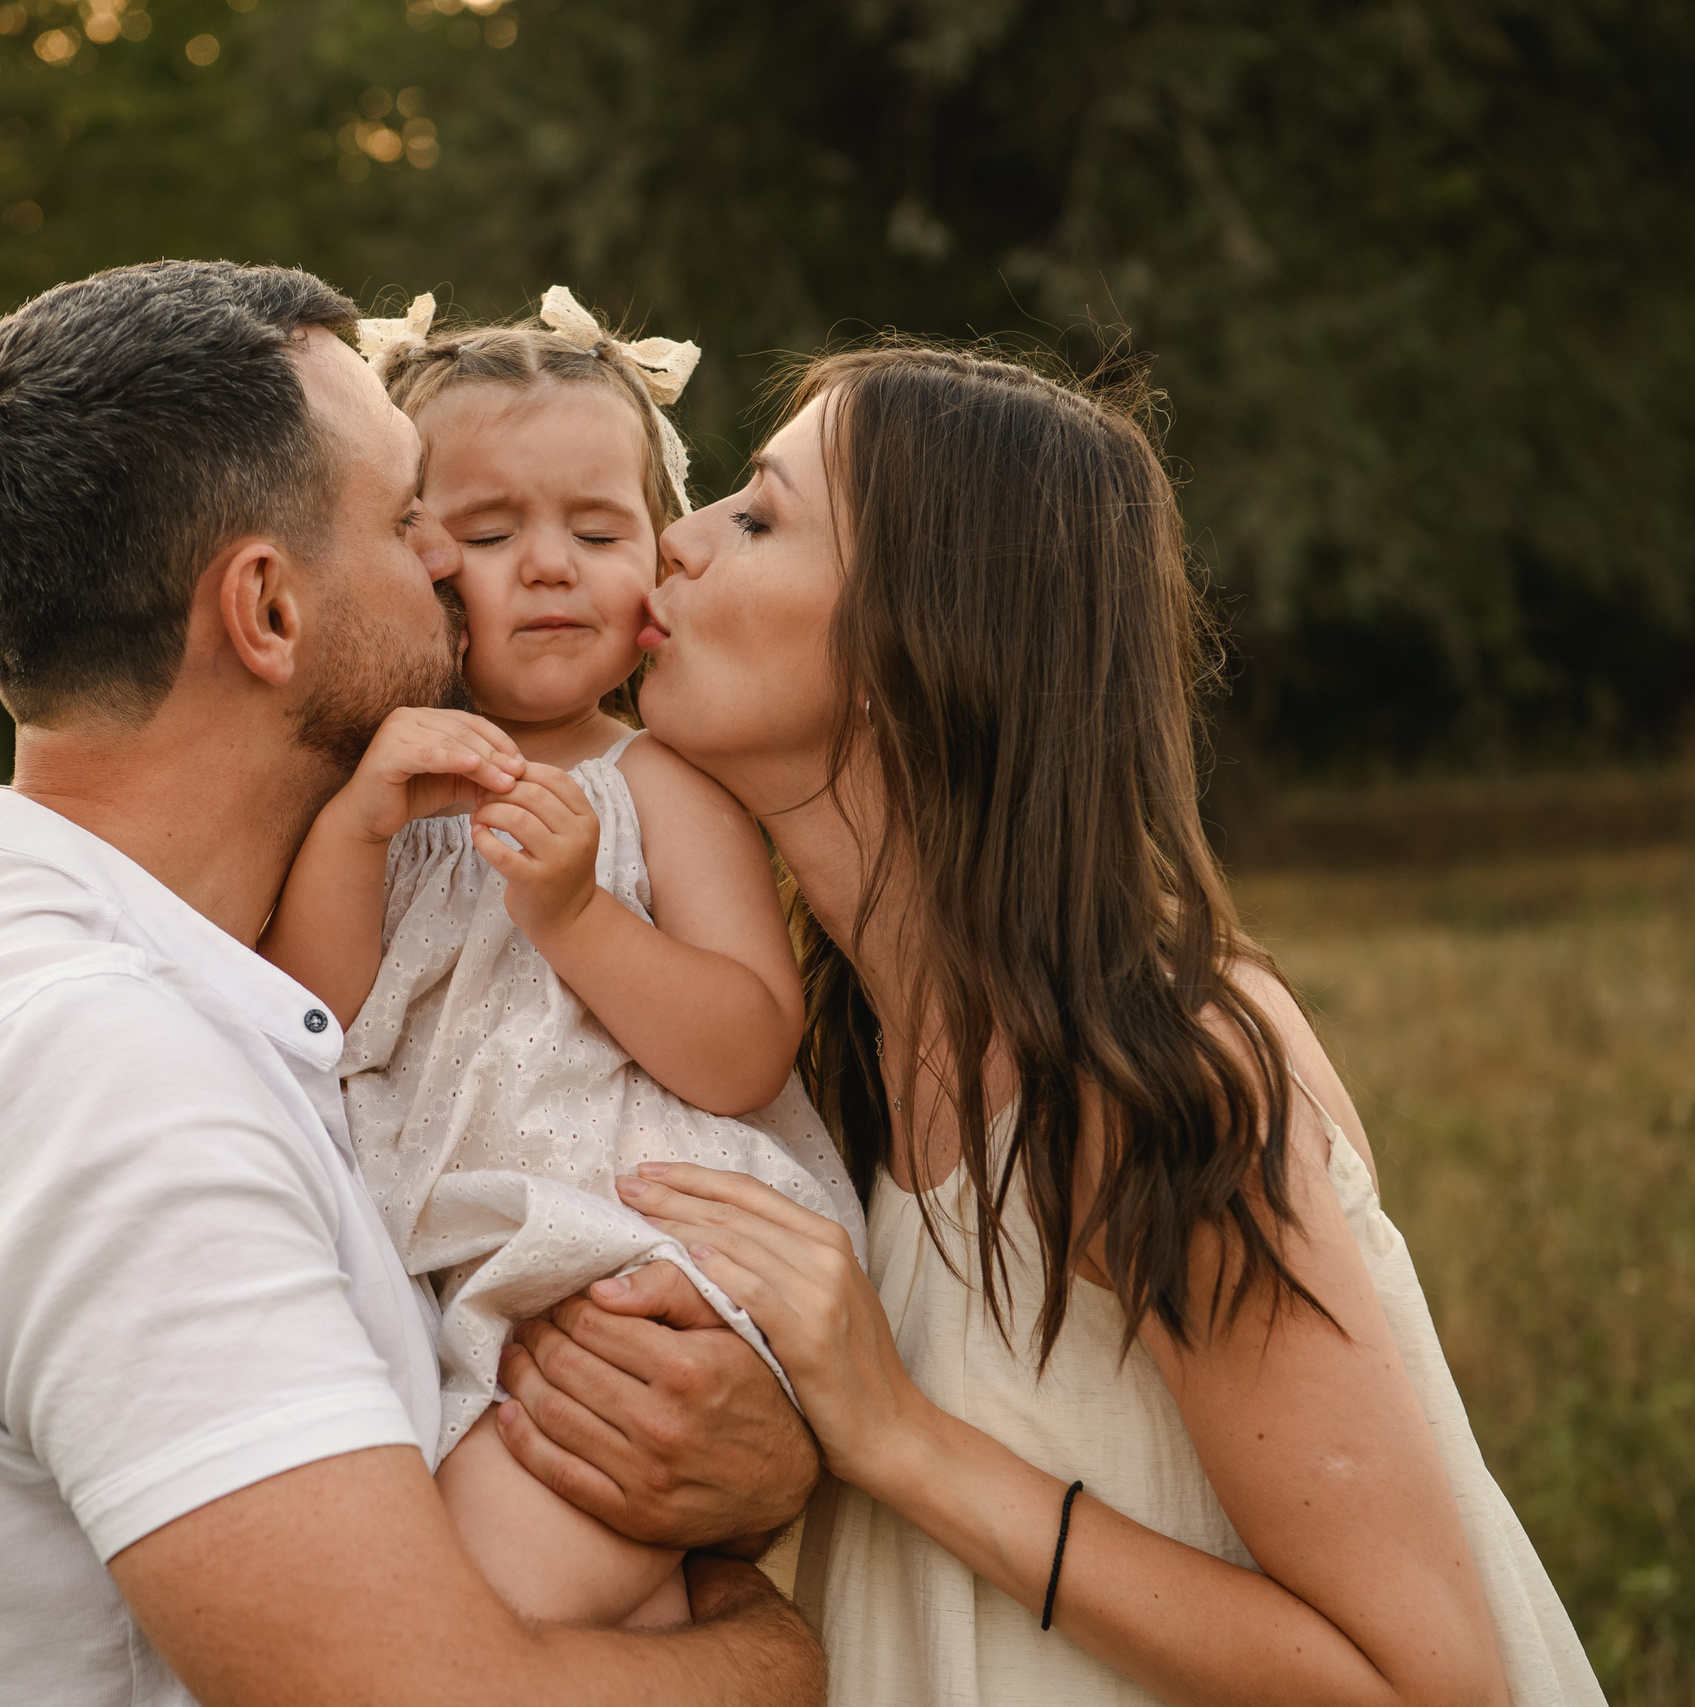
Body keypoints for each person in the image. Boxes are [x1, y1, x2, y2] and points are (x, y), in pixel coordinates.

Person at [0, 260, 824, 1707]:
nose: (472, 570)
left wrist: (747, 1448)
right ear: (267, 612)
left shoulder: (103, 980)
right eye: (418, 522)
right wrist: (769, 1652)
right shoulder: (102, 1079)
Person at [513, 343, 1608, 1703]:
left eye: (761, 516)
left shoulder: (1151, 1064)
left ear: (922, 640)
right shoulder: (818, 1062)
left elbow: (1426, 1683)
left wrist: (899, 1437)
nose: (675, 541)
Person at [260, 288, 863, 1633]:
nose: (548, 565)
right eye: (488, 531)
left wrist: (580, 918)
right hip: (440, 1296)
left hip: (637, 1264)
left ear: (659, 556)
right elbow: (311, 1020)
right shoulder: (376, 791)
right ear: (409, 552)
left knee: (492, 1601)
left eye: (598, 530)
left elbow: (747, 1042)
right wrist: (360, 827)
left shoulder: (665, 786)